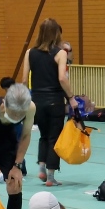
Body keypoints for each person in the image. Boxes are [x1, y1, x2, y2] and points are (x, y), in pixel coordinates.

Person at [21, 18, 77, 186]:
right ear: (56, 34)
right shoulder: (60, 53)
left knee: (44, 135)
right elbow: (62, 78)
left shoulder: (30, 52)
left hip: (37, 100)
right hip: (54, 100)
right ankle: (51, 176)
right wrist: (71, 98)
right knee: (54, 137)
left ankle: (41, 166)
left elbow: (23, 80)